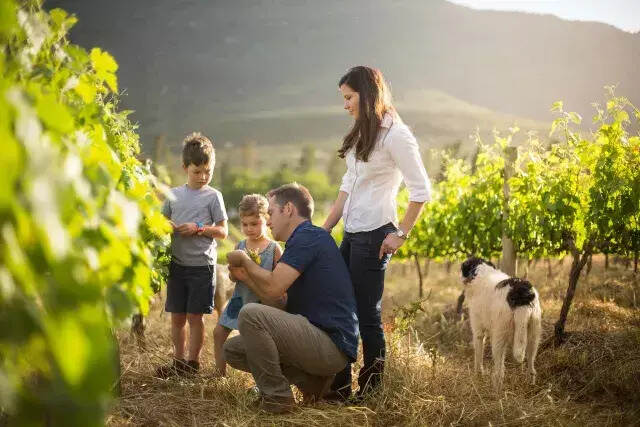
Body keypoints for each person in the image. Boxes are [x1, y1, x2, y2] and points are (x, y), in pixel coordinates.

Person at [322, 66, 432, 400]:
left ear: (367, 95)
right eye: (344, 98)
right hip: (352, 233)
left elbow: (421, 190)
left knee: (366, 312)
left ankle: (371, 391)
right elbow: (348, 185)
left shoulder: (396, 135)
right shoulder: (362, 132)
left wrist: (401, 233)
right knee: (340, 305)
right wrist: (324, 229)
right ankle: (338, 387)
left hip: (375, 234)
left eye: (349, 97)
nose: (345, 105)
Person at [223, 183, 359, 413]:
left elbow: (274, 288)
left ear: (288, 209)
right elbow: (276, 300)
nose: (267, 221)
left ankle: (278, 399)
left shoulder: (308, 236)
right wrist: (246, 277)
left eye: (271, 213)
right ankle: (313, 382)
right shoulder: (299, 242)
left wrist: (245, 260)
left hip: (330, 345)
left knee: (250, 314)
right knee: (233, 350)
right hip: (314, 340)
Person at [155, 132, 228, 378]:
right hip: (177, 265)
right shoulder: (173, 196)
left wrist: (198, 229)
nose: (203, 177)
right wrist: (169, 228)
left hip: (202, 267)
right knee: (177, 317)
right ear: (185, 167)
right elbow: (159, 223)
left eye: (208, 171)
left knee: (196, 317)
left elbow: (223, 231)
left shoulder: (213, 196)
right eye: (197, 172)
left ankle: (192, 364)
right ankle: (178, 363)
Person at [213, 194, 283, 377]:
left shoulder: (273, 248)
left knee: (255, 342)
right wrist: (232, 272)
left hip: (260, 302)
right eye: (245, 224)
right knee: (218, 332)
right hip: (239, 299)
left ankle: (260, 379)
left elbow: (280, 278)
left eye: (254, 224)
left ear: (266, 219)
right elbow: (233, 277)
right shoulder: (241, 245)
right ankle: (219, 375)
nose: (249, 229)